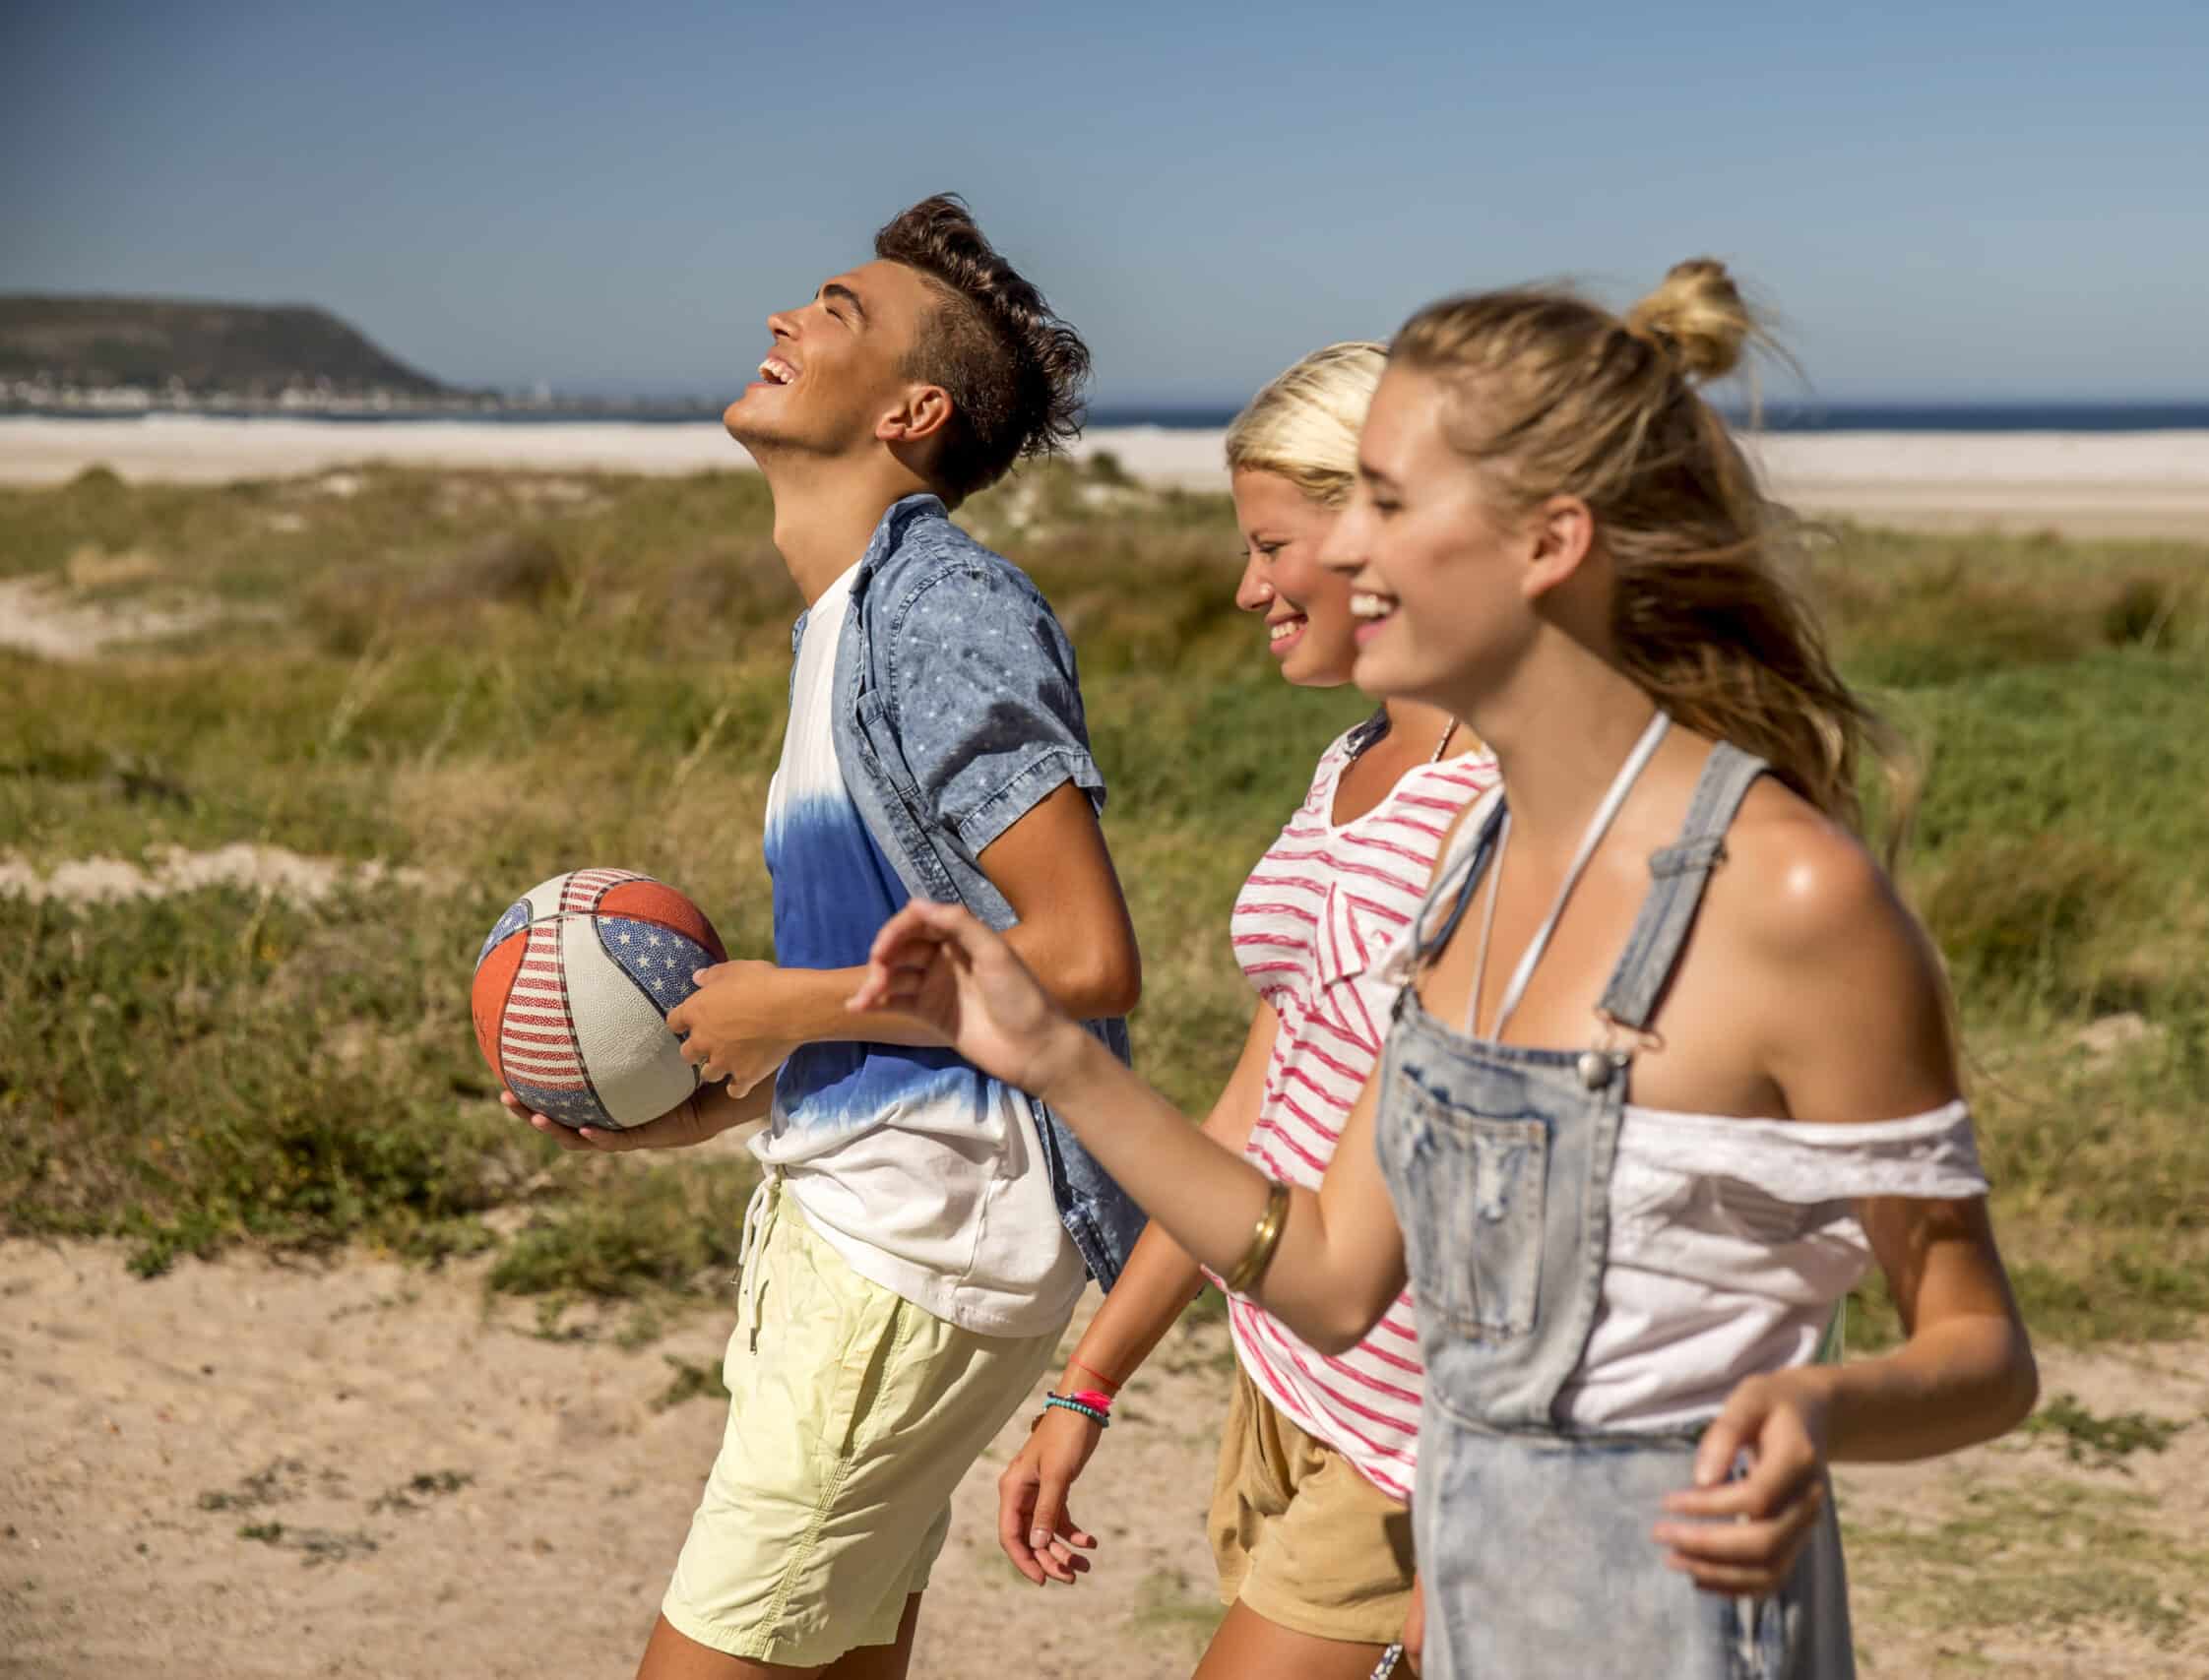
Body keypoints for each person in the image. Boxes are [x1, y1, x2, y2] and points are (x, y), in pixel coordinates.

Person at [851, 260, 2041, 1678]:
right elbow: (1341, 1277)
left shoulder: (1787, 892)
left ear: (1548, 542)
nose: (1345, 560)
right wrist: (1046, 1055)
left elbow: (1980, 1345)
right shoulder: (1472, 886)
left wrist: (1821, 1410)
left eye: (1390, 511)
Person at [505, 194, 1144, 1680]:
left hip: (913, 1255)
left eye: (837, 313)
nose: (788, 319)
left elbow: (1083, 956)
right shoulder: (845, 623)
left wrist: (783, 1005)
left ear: (913, 409)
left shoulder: (941, 610)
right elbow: (923, 971)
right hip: (872, 1232)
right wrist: (725, 1101)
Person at [992, 342, 1495, 1679]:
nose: (1245, 586)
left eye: (1272, 544)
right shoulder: (1352, 763)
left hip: (1414, 1441)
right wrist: (1090, 1381)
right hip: (1285, 1379)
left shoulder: (1503, 806)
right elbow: (1255, 1113)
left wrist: (1477, 1506)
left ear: (1379, 528)